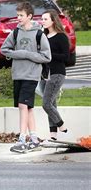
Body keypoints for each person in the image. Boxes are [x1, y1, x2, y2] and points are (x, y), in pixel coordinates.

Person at [0, 2, 51, 153]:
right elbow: (4, 49)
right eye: (17, 15)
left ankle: (22, 139)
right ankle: (34, 139)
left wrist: (28, 55)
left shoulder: (39, 34)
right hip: (17, 74)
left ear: (29, 16)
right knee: (27, 108)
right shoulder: (15, 32)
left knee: (23, 105)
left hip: (31, 75)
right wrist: (19, 53)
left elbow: (47, 56)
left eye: (21, 15)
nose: (18, 18)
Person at [41, 10, 69, 141]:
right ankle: (53, 135)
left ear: (53, 21)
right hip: (45, 75)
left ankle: (62, 126)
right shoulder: (43, 37)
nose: (43, 21)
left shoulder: (61, 36)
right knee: (52, 104)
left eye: (45, 19)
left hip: (57, 74)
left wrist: (49, 55)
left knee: (46, 104)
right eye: (42, 19)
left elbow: (66, 57)